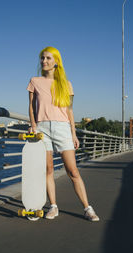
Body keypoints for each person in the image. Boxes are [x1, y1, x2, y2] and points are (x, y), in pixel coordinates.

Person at [26, 46, 99, 222]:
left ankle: (87, 208)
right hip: (42, 128)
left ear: (56, 62)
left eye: (48, 58)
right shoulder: (34, 81)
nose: (44, 61)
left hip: (62, 128)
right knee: (48, 169)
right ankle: (53, 206)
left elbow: (69, 111)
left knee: (72, 171)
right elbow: (31, 106)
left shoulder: (66, 84)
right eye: (42, 58)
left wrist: (74, 134)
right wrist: (33, 125)